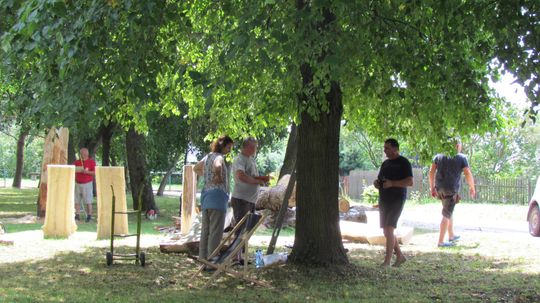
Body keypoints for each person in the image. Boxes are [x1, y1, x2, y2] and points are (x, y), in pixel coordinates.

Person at [193, 135, 234, 262]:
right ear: (223, 146)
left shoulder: (208, 156)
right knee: (216, 231)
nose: (230, 150)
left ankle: (202, 258)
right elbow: (217, 165)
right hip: (217, 197)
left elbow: (196, 168)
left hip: (206, 197)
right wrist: (217, 175)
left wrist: (206, 174)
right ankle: (212, 260)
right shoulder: (219, 157)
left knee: (205, 230)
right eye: (229, 147)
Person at [374, 138, 413, 267]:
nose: (385, 151)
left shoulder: (404, 162)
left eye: (387, 148)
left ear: (396, 149)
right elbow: (380, 180)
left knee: (390, 228)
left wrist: (393, 184)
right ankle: (400, 256)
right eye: (384, 148)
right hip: (384, 199)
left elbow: (410, 182)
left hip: (397, 199)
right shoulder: (385, 164)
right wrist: (377, 183)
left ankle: (387, 261)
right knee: (386, 231)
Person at [429, 140, 476, 247]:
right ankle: (440, 242)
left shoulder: (438, 156)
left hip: (439, 188)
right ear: (457, 145)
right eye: (460, 145)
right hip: (450, 190)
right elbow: (468, 173)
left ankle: (451, 235)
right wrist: (472, 187)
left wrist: (432, 187)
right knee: (446, 213)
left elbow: (431, 172)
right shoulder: (461, 157)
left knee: (449, 210)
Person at [230, 137, 269, 264]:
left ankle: (241, 256)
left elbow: (251, 176)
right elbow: (240, 175)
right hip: (241, 199)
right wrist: (257, 181)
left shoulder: (251, 160)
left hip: (250, 199)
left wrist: (261, 179)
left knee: (247, 229)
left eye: (256, 147)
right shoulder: (239, 159)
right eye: (253, 147)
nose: (255, 149)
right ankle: (236, 258)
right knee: (241, 228)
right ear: (246, 147)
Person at [74, 147, 96, 222]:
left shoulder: (91, 162)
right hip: (78, 183)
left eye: (83, 153)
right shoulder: (77, 162)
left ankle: (89, 216)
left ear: (87, 154)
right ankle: (77, 215)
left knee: (88, 200)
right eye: (81, 153)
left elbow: (94, 172)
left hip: (87, 183)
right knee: (76, 200)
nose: (82, 155)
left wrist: (87, 172)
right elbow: (74, 170)